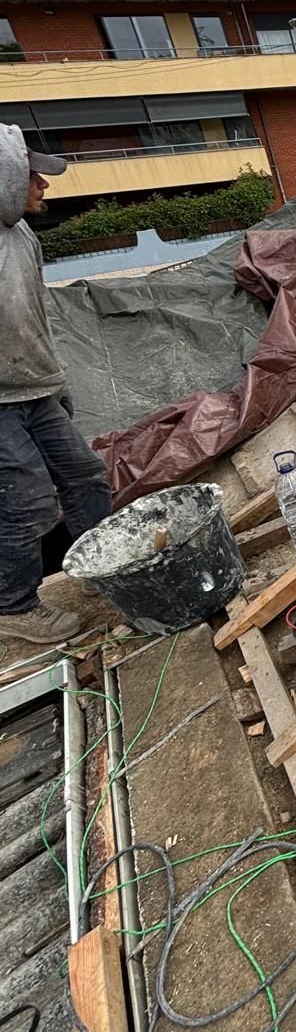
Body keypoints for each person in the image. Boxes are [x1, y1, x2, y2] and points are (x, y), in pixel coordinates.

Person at [0, 125, 112, 644]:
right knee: (27, 501)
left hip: (33, 389)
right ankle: (15, 607)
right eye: (32, 177)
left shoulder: (21, 235)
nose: (44, 186)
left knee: (86, 474)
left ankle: (98, 566)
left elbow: (35, 318)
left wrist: (54, 379)